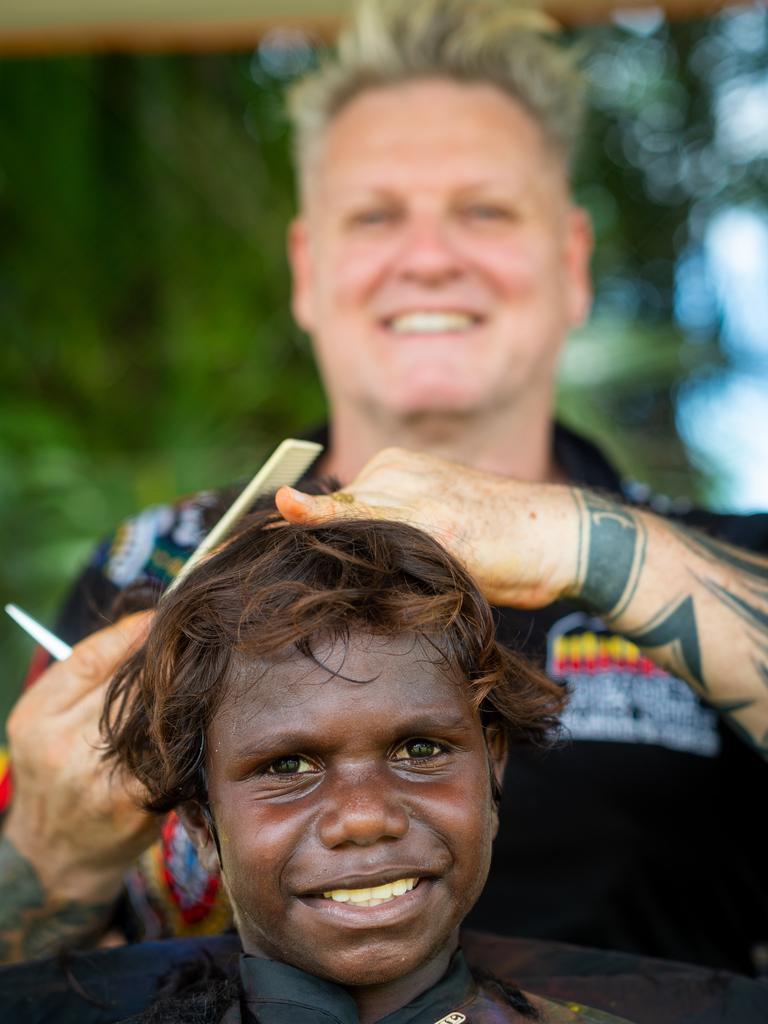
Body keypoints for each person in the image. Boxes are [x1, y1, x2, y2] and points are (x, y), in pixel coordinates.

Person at [1, 0, 767, 976]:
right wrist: (49, 859)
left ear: (571, 265)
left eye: (484, 209)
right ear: (308, 272)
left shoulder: (725, 563)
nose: (430, 256)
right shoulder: (144, 567)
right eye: (376, 215)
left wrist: (583, 542)